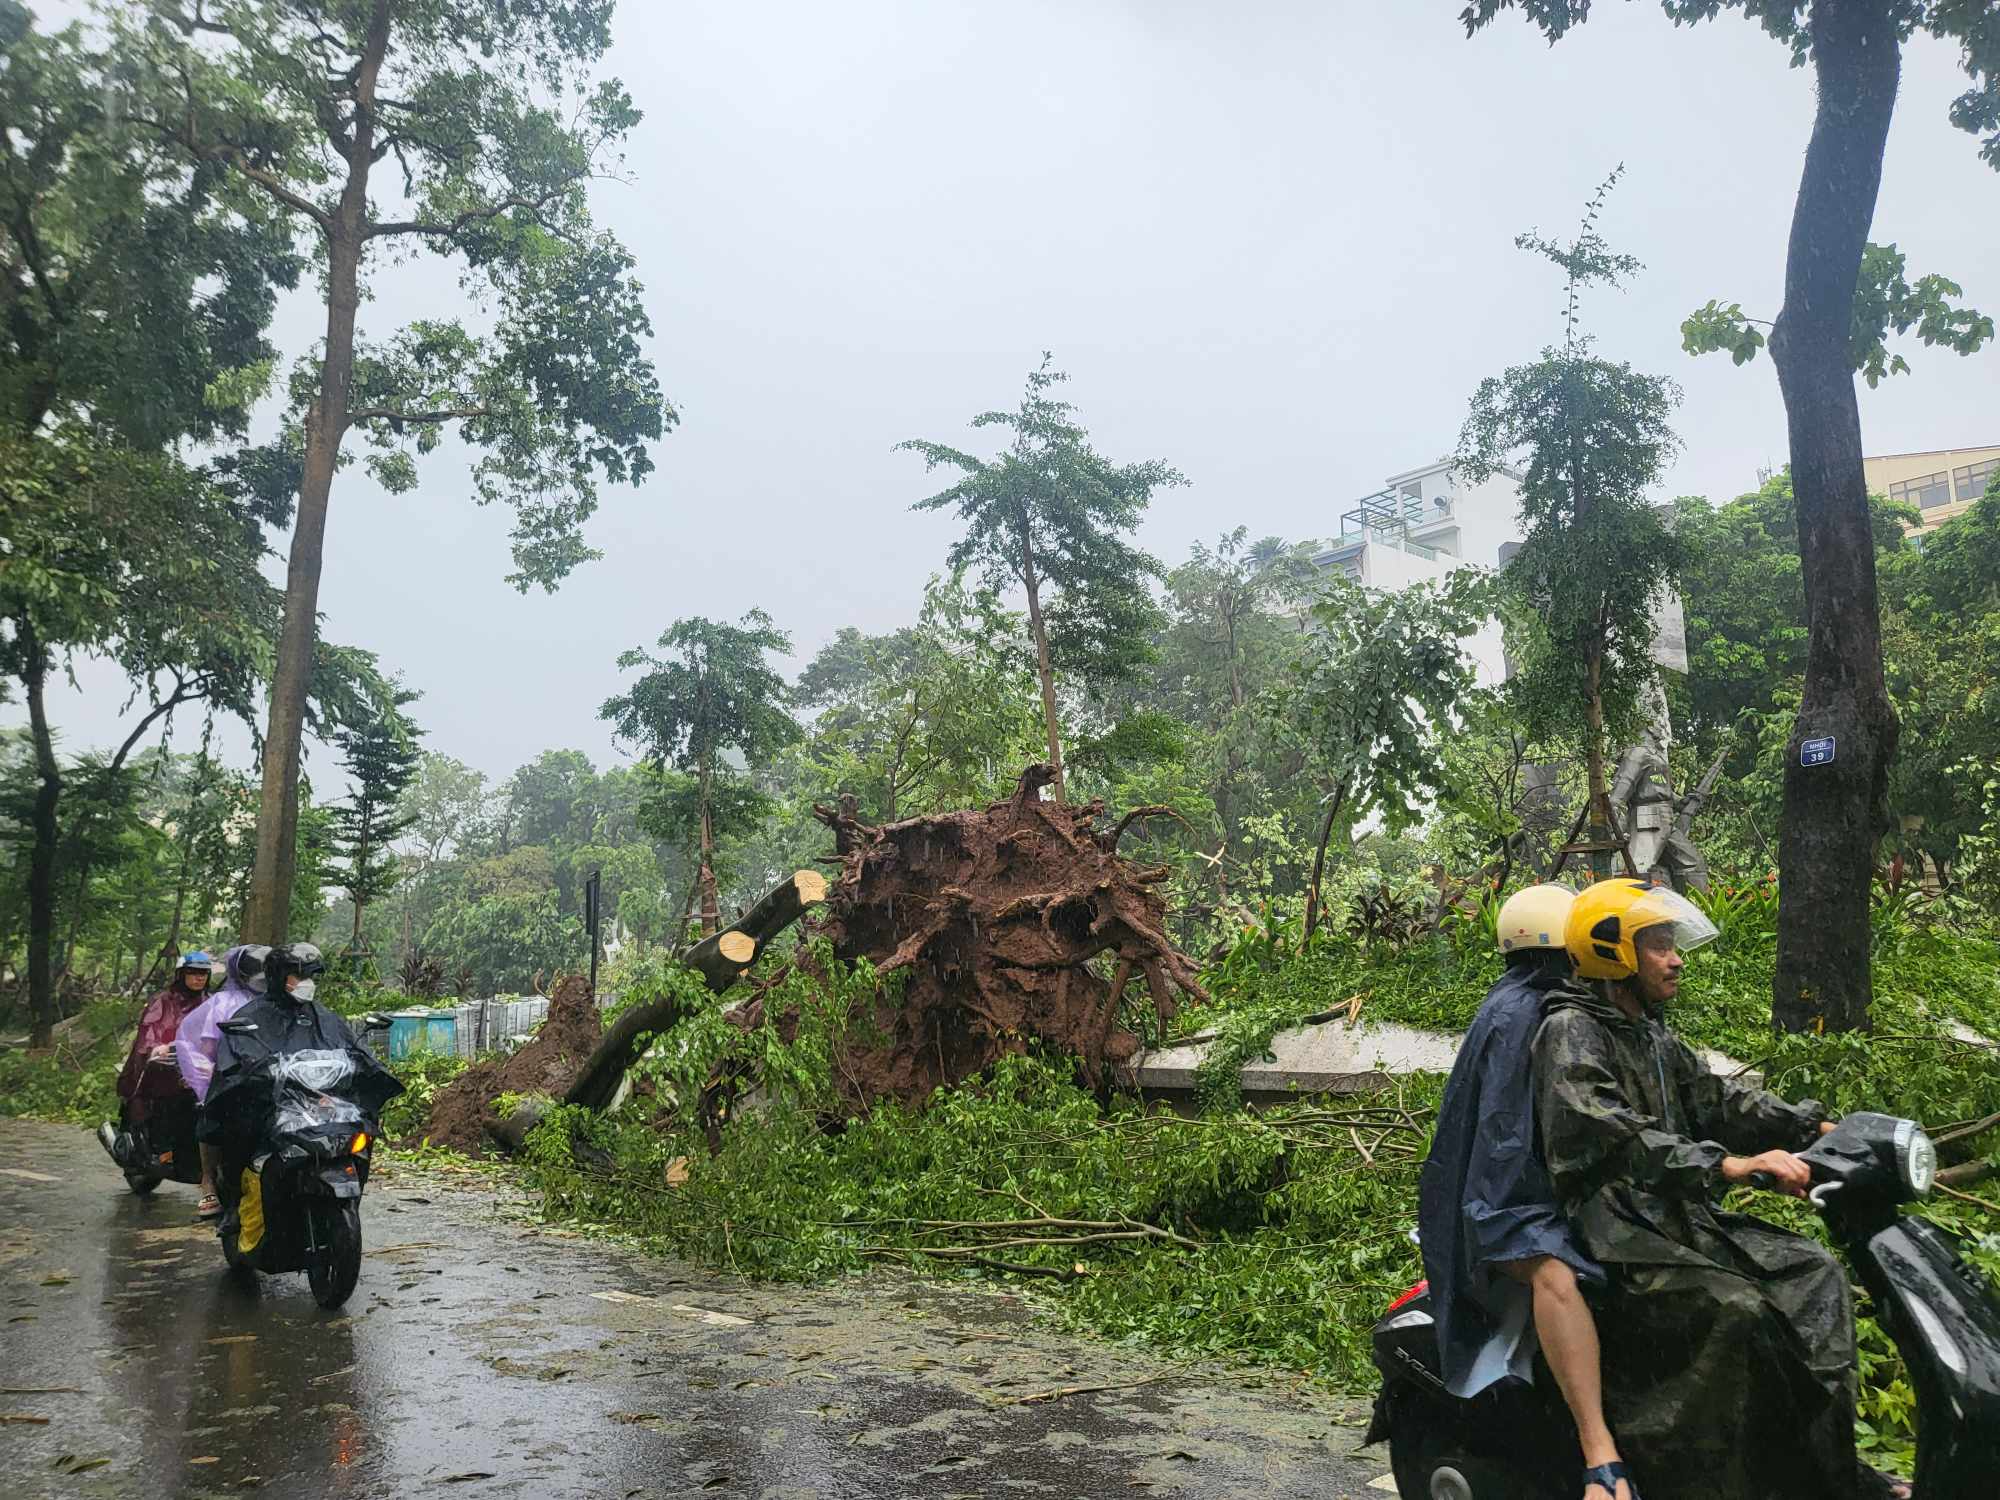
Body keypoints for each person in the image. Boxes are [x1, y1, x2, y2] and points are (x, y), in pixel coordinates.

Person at [1531, 879, 1886, 1500]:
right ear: (1612, 953)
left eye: (1673, 944)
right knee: (1738, 1309)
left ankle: (1826, 1467)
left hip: (1681, 1216)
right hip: (1619, 1226)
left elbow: (1722, 1099)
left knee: (1816, 1272)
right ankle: (1706, 1480)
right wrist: (1727, 1167)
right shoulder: (1570, 1030)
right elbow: (1613, 1134)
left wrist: (1817, 1127)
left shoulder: (1651, 1033)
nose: (1676, 959)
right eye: (1659, 946)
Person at [1418, 884, 1630, 1500]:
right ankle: (1599, 1453)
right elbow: (1506, 1135)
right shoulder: (1522, 1015)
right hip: (1502, 1202)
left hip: (1528, 1189)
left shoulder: (1548, 1003)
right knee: (1554, 1276)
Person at [174, 944, 269, 1218]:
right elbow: (206, 1047)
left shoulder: (276, 1002)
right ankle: (208, 1182)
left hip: (268, 1075)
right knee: (210, 1114)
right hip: (231, 1076)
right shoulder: (223, 1003)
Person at [96, 951, 215, 1164]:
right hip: (164, 1066)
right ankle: (161, 1147)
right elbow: (149, 1030)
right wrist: (158, 1047)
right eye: (194, 972)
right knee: (169, 1093)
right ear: (181, 974)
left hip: (201, 1067)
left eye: (204, 973)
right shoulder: (163, 1001)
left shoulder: (211, 1002)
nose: (200, 977)